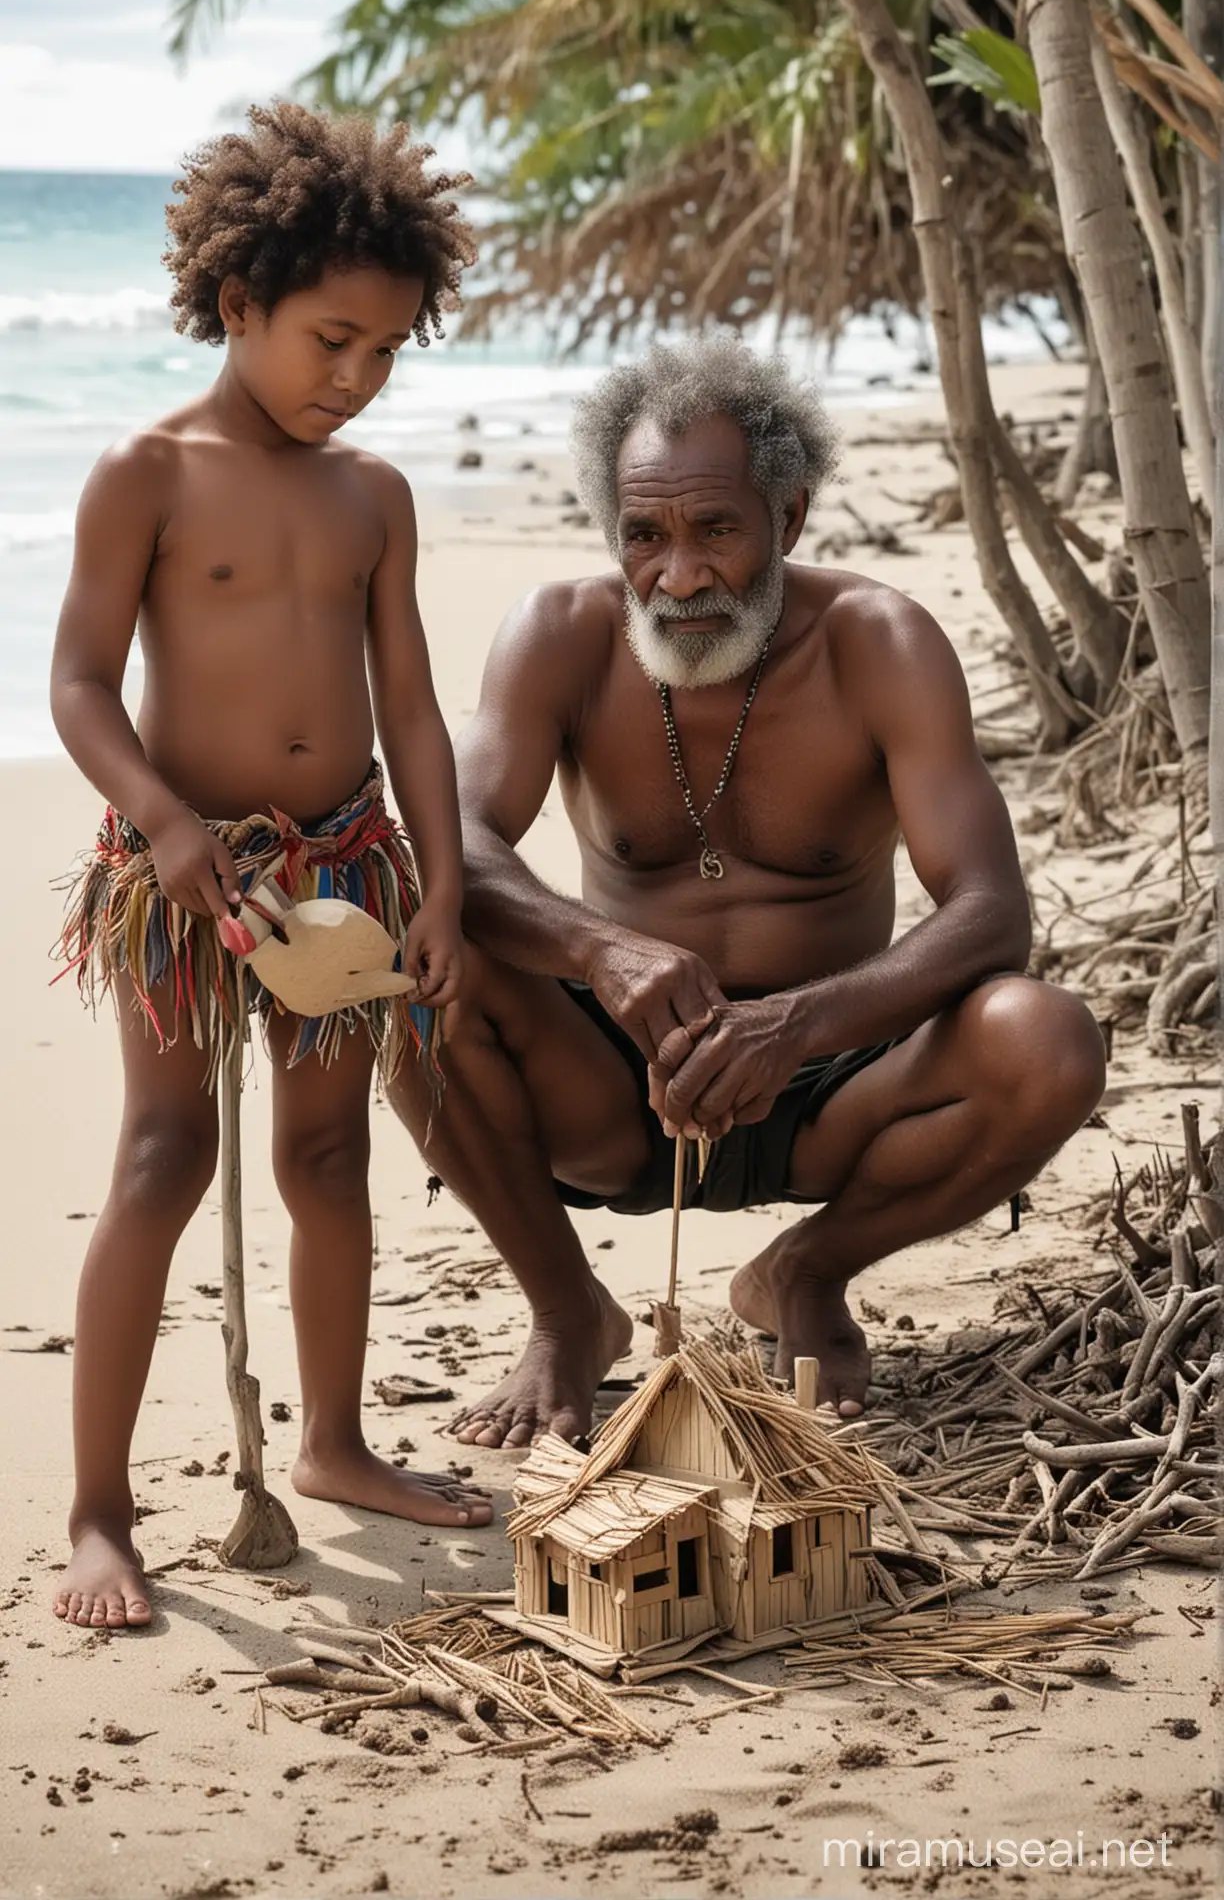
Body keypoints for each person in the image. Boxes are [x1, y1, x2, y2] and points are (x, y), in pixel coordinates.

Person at [391, 336, 1106, 1448]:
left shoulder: (880, 642)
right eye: (644, 535)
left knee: (1048, 1038)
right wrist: (605, 955)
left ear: (791, 519)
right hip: (614, 1089)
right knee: (420, 984)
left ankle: (806, 1274)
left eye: (716, 530)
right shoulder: (563, 635)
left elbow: (989, 912)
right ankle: (567, 1312)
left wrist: (795, 1024)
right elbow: (453, 848)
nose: (678, 576)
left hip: (833, 1086)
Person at [50, 101, 491, 1631]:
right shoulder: (147, 471)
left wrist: (438, 883)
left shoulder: (374, 496)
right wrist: (166, 828)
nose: (356, 378)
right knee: (165, 1158)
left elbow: (416, 708)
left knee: (325, 1161)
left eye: (385, 351)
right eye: (330, 340)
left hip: (347, 874)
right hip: (192, 877)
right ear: (237, 305)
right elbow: (81, 687)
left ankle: (336, 1443)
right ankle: (100, 1510)